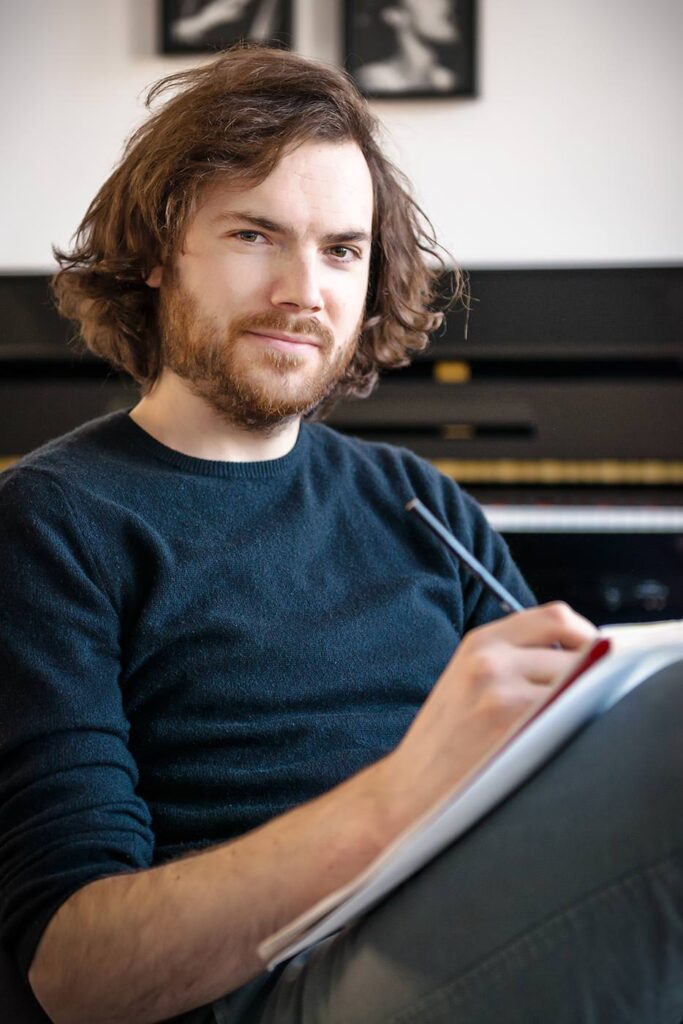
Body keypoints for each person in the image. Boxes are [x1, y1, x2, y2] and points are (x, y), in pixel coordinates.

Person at [0, 44, 681, 1024]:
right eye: (251, 234)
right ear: (155, 252)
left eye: (340, 250)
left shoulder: (420, 501)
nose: (302, 289)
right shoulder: (53, 522)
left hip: (460, 930)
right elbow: (76, 974)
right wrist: (406, 785)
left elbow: (563, 781)